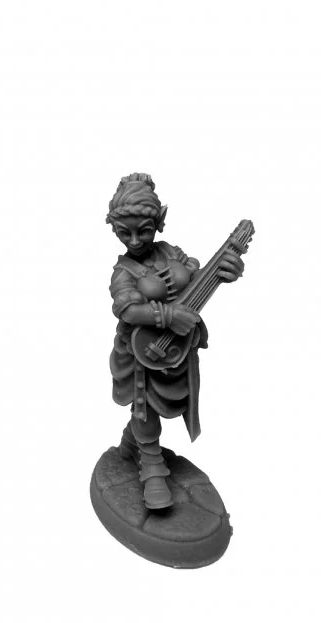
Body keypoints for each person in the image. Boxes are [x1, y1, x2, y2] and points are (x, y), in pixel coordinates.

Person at [107, 173, 244, 509]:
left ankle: (131, 444)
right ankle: (152, 466)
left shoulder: (172, 253)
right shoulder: (123, 271)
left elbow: (197, 280)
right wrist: (166, 316)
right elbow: (126, 308)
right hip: (141, 350)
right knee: (143, 403)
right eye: (125, 233)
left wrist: (224, 271)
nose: (135, 240)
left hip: (176, 348)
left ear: (160, 222)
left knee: (164, 402)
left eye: (144, 230)